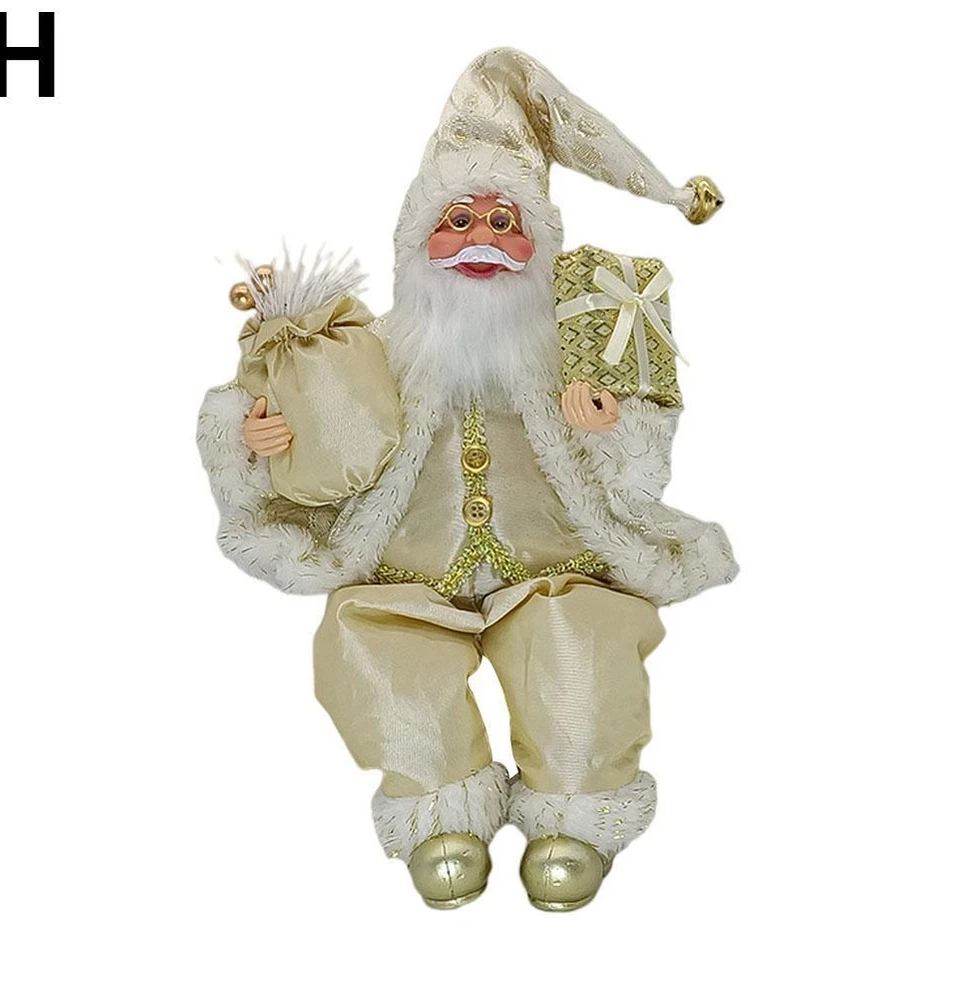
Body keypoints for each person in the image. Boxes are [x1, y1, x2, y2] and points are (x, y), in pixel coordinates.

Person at [199, 48, 736, 911]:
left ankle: (575, 811)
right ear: (415, 242)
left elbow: (637, 466)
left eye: (503, 219)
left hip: (553, 565)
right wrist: (259, 434)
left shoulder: (571, 345)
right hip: (405, 572)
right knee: (374, 653)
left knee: (582, 654)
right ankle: (438, 805)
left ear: (540, 243)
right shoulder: (376, 345)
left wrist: (612, 422)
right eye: (457, 219)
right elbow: (317, 420)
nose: (482, 238)